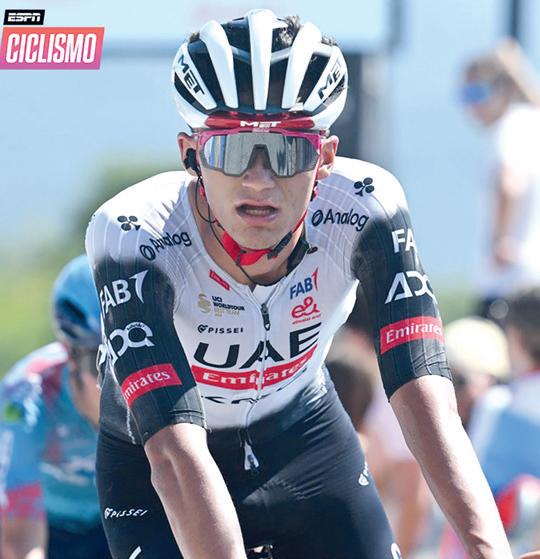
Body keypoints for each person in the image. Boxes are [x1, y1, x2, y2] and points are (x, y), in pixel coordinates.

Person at [86, 10, 514, 558]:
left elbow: (422, 391)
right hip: (160, 465)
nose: (259, 179)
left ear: (325, 158)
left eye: (288, 151)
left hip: (305, 441)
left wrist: (487, 548)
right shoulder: (133, 234)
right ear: (191, 154)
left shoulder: (366, 208)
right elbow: (173, 452)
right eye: (232, 150)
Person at [0, 255, 111, 559]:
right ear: (71, 356)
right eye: (102, 365)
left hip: (121, 518)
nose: (120, 389)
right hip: (51, 529)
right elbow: (20, 541)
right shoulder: (25, 398)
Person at [461, 39, 540, 323]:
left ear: (502, 90)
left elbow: (510, 182)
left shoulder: (507, 129)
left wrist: (501, 239)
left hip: (506, 281)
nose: (472, 106)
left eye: (477, 93)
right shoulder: (531, 121)